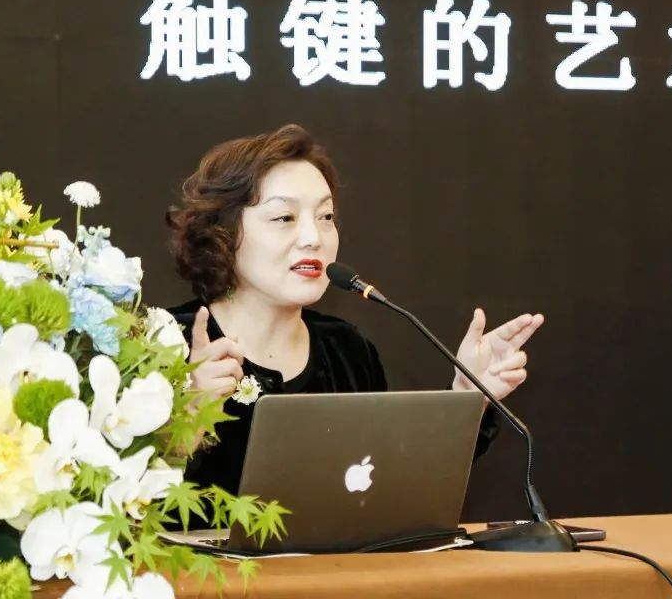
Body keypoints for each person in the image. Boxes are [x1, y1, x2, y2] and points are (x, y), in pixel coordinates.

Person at [165, 124, 544, 499]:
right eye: (285, 218)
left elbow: (395, 488)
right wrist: (188, 420)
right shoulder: (164, 345)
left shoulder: (346, 350)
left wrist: (468, 396)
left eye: (325, 217)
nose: (313, 238)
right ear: (222, 234)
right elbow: (135, 507)